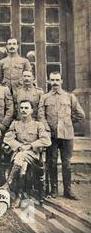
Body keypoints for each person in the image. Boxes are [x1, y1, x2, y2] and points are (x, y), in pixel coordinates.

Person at [38, 72, 85, 200]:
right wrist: (46, 127)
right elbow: (41, 115)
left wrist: (68, 122)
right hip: (51, 135)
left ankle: (68, 191)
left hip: (67, 135)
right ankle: (53, 190)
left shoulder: (69, 97)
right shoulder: (45, 97)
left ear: (61, 81)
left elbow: (81, 114)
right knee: (51, 162)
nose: (55, 82)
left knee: (67, 163)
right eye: (52, 80)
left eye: (57, 80)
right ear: (49, 81)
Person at [1, 100, 51, 207]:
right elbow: (7, 138)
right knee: (22, 162)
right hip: (19, 155)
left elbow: (47, 140)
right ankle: (19, 195)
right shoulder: (15, 124)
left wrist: (30, 146)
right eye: (22, 108)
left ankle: (8, 183)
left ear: (32, 110)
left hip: (33, 156)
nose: (23, 110)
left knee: (21, 156)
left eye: (26, 108)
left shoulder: (38, 125)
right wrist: (19, 146)